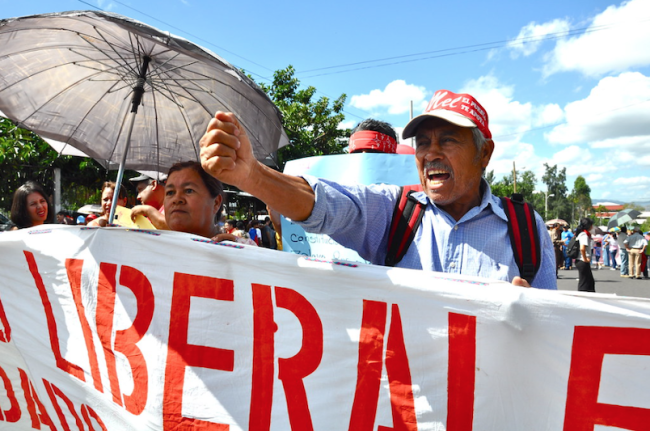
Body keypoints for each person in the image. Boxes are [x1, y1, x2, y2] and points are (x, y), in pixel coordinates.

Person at [198, 89, 556, 289]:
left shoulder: (526, 229)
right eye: (423, 142)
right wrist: (252, 176)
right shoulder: (395, 213)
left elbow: (556, 337)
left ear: (484, 154)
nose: (431, 153)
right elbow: (326, 205)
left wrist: (528, 319)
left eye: (448, 140)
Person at [164, 161, 251, 246]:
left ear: (216, 203)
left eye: (189, 190)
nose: (177, 199)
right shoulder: (155, 249)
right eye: (170, 192)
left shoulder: (243, 252)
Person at [575, 217, 596, 292]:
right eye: (591, 225)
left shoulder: (582, 234)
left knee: (589, 282)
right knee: (584, 283)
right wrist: (585, 258)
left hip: (581, 261)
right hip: (582, 261)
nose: (592, 227)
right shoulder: (584, 235)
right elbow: (582, 248)